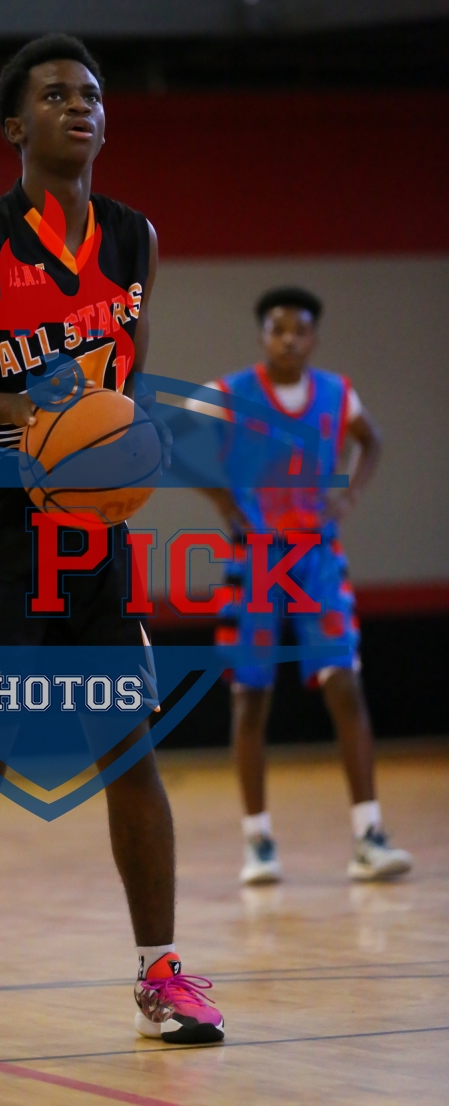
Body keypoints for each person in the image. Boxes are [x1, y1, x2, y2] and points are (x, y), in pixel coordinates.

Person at [0, 34, 224, 1060]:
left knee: (131, 753)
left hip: (90, 539)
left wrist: (115, 445)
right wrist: (26, 414)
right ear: (12, 125)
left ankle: (160, 975)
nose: (80, 106)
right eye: (54, 94)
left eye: (92, 93)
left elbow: (124, 373)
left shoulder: (133, 239)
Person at [195, 288, 412, 886]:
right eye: (278, 328)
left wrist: (349, 496)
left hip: (317, 559)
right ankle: (258, 841)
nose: (289, 338)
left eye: (300, 329)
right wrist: (224, 502)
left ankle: (368, 834)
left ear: (314, 338)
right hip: (255, 562)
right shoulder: (231, 392)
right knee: (251, 697)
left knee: (345, 685)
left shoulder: (338, 394)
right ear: (262, 336)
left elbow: (372, 439)